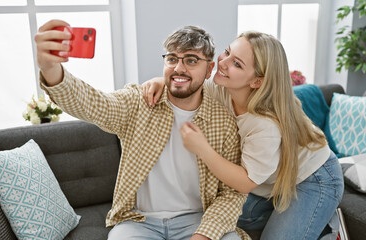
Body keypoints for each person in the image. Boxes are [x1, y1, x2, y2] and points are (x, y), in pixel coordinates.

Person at [35, 19, 250, 240]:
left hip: (198, 220)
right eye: (172, 59)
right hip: (138, 222)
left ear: (209, 69)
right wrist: (51, 69)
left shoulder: (223, 121)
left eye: (191, 60)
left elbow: (232, 193)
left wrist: (205, 235)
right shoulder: (138, 102)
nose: (178, 68)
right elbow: (92, 104)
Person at [142, 31, 344, 239]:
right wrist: (161, 81)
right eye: (227, 52)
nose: (223, 62)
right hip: (271, 181)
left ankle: (325, 228)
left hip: (314, 177)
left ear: (257, 81)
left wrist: (202, 148)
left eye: (237, 64)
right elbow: (191, 85)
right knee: (212, 211)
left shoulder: (264, 124)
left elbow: (245, 182)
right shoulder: (223, 89)